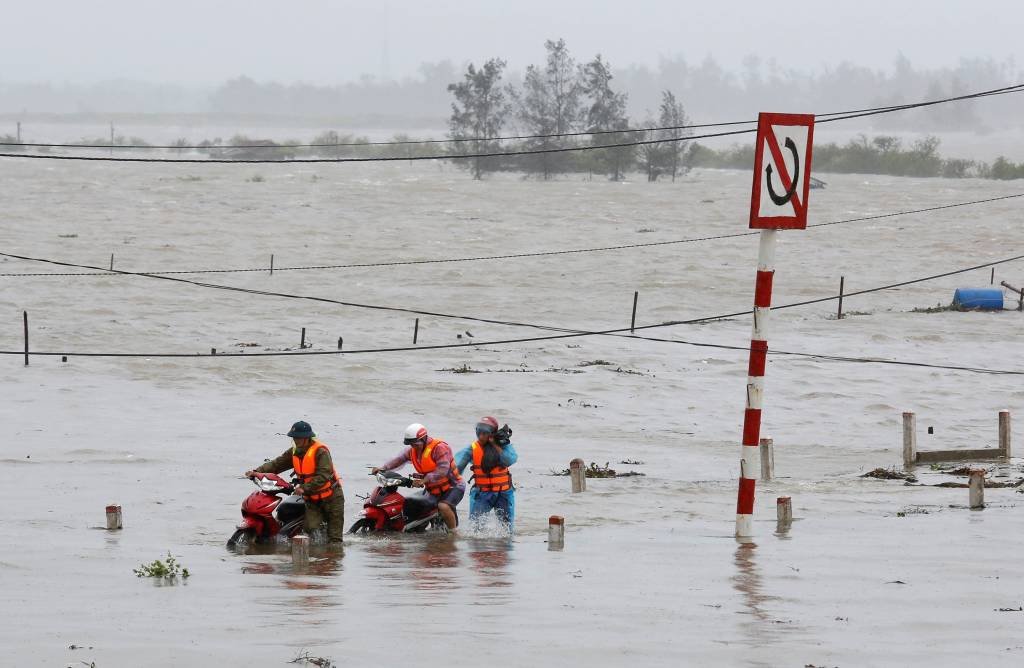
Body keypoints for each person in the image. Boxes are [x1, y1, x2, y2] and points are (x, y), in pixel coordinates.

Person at [244, 420, 345, 545]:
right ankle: (317, 556)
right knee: (311, 529)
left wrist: (304, 488)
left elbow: (323, 475)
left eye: (298, 438)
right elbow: (277, 464)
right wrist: (256, 472)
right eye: (294, 438)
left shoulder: (321, 452)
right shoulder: (294, 452)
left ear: (307, 438)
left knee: (335, 539)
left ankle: (332, 559)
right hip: (311, 499)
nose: (296, 440)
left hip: (332, 498)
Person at [372, 423, 464, 531]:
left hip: (453, 487)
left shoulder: (439, 448)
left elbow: (442, 469)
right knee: (411, 504)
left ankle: (453, 534)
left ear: (424, 439)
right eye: (411, 444)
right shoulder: (413, 450)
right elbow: (398, 459)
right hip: (432, 489)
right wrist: (383, 468)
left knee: (443, 506)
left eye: (415, 444)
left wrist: (424, 480)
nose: (413, 447)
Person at [455, 416, 518, 532]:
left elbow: (509, 460)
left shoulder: (504, 445)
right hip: (482, 494)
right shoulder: (472, 449)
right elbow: (457, 466)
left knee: (507, 529)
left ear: (492, 434)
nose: (481, 436)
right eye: (479, 432)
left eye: (485, 433)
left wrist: (495, 445)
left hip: (503, 493)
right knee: (476, 528)